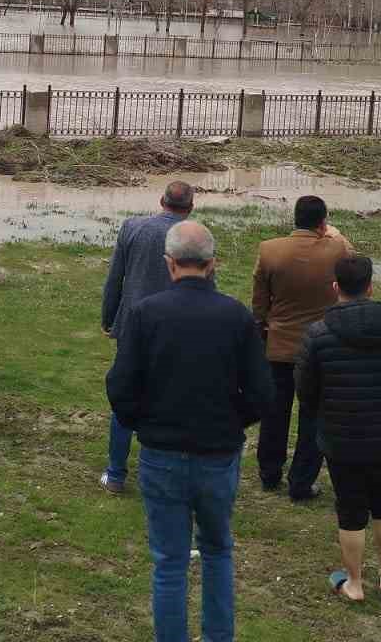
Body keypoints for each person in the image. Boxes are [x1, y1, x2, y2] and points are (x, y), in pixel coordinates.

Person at [106, 221, 274, 642]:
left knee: (169, 561)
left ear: (169, 264)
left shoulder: (146, 314)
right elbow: (261, 392)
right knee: (217, 551)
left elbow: (120, 386)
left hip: (162, 452)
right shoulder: (236, 316)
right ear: (212, 264)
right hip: (218, 453)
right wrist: (234, 422)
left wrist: (142, 423)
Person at [296, 254, 381, 607]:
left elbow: (306, 390)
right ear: (370, 286)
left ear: (335, 287)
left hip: (340, 436)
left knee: (350, 508)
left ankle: (354, 583)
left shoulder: (318, 333)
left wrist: (320, 418)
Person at [251, 195, 353, 501]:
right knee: (313, 416)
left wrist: (263, 324)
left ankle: (269, 473)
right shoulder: (337, 249)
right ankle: (302, 480)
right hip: (320, 347)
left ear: (294, 218)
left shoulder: (269, 250)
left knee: (274, 412)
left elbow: (259, 300)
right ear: (323, 222)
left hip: (279, 344)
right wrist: (334, 233)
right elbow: (354, 260)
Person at [97, 181, 196, 494]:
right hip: (179, 332)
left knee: (126, 397)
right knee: (175, 401)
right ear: (190, 207)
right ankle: (167, 474)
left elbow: (116, 277)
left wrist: (109, 318)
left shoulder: (133, 227)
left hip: (133, 327)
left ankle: (115, 474)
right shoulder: (195, 235)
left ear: (161, 200)